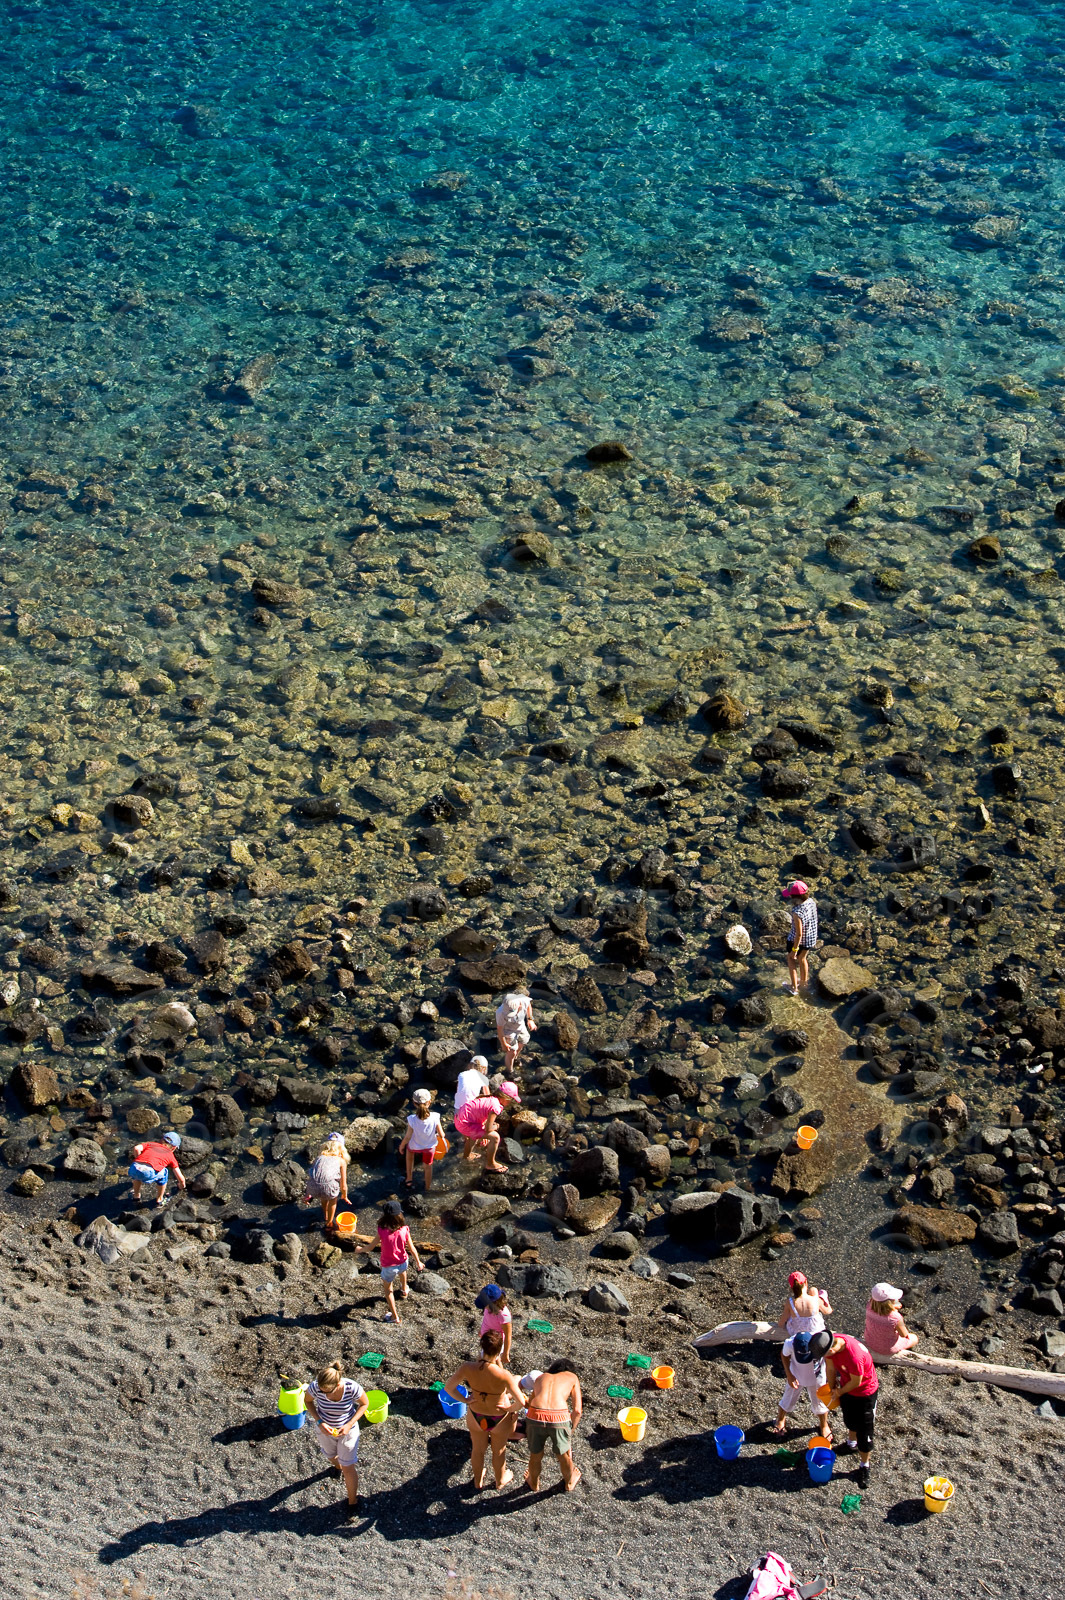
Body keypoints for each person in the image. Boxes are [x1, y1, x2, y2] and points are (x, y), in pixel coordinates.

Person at [442, 1330, 526, 1491]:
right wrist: (509, 1408)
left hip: (476, 1415)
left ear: (482, 1346)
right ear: (499, 1351)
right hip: (499, 1418)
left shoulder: (468, 1367)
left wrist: (465, 1400)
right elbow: (521, 1401)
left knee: (478, 1449)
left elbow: (449, 1388)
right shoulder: (504, 1375)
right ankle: (500, 1480)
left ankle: (478, 1481)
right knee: (499, 1451)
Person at [303, 1360, 368, 1513]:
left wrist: (349, 1424)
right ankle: (337, 1466)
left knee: (348, 1467)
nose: (322, 1393)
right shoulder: (316, 1387)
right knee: (331, 1455)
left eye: (326, 1392)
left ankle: (352, 1502)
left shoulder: (351, 1388)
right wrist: (319, 1421)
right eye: (321, 1390)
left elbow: (364, 1404)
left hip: (347, 1430)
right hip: (325, 1429)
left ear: (338, 1385)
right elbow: (308, 1401)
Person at [825, 1329, 879, 1489]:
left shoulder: (854, 1356)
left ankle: (864, 1465)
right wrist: (831, 1386)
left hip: (864, 1393)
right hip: (847, 1389)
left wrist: (839, 1392)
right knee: (849, 1419)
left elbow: (856, 1382)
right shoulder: (830, 1345)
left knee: (865, 1431)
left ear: (832, 1348)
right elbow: (830, 1368)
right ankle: (851, 1444)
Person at [523, 1361, 583, 1493]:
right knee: (563, 1456)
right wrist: (569, 1432)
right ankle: (569, 1482)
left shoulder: (541, 1377)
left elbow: (529, 1404)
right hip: (559, 1416)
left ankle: (534, 1483)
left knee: (535, 1454)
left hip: (535, 1414)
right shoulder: (572, 1377)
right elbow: (577, 1410)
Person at [366, 1201, 422, 1323]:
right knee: (403, 1272)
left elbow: (371, 1246)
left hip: (388, 1267)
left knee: (388, 1291)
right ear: (400, 1215)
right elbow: (412, 1248)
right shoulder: (405, 1229)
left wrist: (361, 1249)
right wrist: (418, 1262)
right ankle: (404, 1290)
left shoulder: (382, 1230)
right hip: (403, 1261)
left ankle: (394, 1317)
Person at [769, 1330, 832, 1437]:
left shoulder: (820, 1343)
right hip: (796, 1376)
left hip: (817, 1377)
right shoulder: (790, 1343)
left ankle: (824, 1425)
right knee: (788, 1398)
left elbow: (830, 1358)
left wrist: (831, 1379)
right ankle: (780, 1419)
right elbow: (784, 1355)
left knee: (820, 1402)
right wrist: (789, 1375)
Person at [453, 1081, 521, 1174]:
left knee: (473, 1135)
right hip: (466, 1125)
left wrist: (483, 1132)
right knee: (495, 1137)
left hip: (459, 1119)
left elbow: (480, 1116)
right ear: (505, 1097)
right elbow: (488, 1129)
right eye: (511, 1099)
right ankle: (490, 1163)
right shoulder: (496, 1106)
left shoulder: (490, 1098)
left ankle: (467, 1156)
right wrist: (495, 1126)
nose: (510, 1102)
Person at [304, 1132, 350, 1233]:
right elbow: (343, 1185)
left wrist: (308, 1194)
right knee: (333, 1200)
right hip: (328, 1189)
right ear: (341, 1149)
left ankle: (325, 1214)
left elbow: (312, 1175)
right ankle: (329, 1222)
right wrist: (345, 1195)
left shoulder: (318, 1158)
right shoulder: (341, 1161)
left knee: (323, 1195)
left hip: (312, 1188)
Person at [399, 1089, 443, 1193]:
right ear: (429, 1102)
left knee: (409, 1154)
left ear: (414, 1103)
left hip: (415, 1146)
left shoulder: (412, 1119)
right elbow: (442, 1134)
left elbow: (408, 1136)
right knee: (428, 1167)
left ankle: (409, 1179)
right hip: (429, 1148)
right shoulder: (436, 1116)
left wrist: (401, 1145)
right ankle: (427, 1187)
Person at [128, 1131, 186, 1207]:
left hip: (134, 1168)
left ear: (161, 1140)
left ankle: (136, 1196)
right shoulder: (170, 1155)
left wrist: (139, 1158)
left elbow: (136, 1148)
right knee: (165, 1172)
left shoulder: (151, 1144)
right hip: (148, 1172)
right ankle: (160, 1199)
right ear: (174, 1147)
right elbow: (180, 1177)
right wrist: (181, 1185)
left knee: (137, 1176)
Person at [782, 880, 818, 997]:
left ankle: (793, 988)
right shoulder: (811, 902)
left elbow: (799, 934)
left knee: (791, 959)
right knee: (802, 959)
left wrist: (794, 950)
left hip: (797, 941)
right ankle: (803, 983)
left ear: (795, 897)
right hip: (810, 938)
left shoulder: (797, 912)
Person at [864, 1282, 919, 1355]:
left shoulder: (869, 1306)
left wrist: (893, 1307)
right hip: (887, 1349)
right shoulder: (896, 1318)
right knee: (914, 1338)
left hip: (869, 1341)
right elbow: (903, 1334)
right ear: (890, 1303)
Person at [454, 1055, 491, 1160]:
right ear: (484, 1069)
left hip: (457, 1110)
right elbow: (488, 1099)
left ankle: (466, 1135)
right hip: (470, 1111)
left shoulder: (461, 1074)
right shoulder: (483, 1078)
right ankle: (470, 1151)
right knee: (482, 1110)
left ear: (470, 1065)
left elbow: (460, 1091)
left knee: (465, 1125)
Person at [774, 1270, 831, 1336]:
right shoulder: (815, 1299)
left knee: (791, 1314)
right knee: (814, 1290)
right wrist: (826, 1300)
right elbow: (827, 1311)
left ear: (792, 1288)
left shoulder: (790, 1302)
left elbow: (781, 1322)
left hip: (797, 1333)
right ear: (806, 1283)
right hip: (815, 1332)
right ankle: (823, 1297)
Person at [496, 988, 536, 1074]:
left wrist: (530, 1019)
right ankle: (510, 1071)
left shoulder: (524, 1000)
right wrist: (503, 1044)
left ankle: (515, 1058)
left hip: (520, 1026)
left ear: (520, 1005)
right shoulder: (500, 1013)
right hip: (508, 1030)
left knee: (522, 1042)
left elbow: (529, 1005)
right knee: (511, 1051)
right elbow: (500, 1030)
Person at [476, 1283, 513, 1364]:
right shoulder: (488, 1308)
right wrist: (481, 1329)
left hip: (495, 1342)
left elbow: (508, 1335)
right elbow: (486, 1319)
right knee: (494, 1360)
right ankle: (500, 1374)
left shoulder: (504, 1315)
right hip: (486, 1337)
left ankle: (501, 1376)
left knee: (487, 1361)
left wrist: (506, 1354)